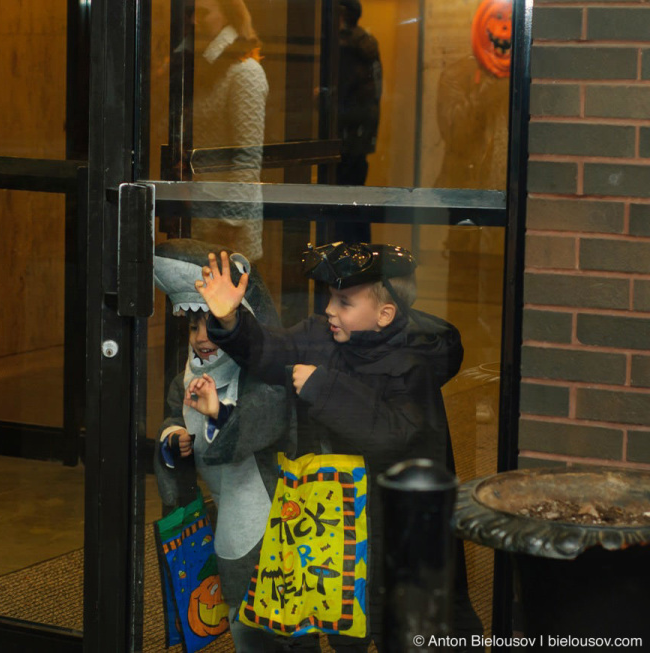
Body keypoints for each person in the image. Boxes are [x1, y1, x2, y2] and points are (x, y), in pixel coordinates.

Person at [195, 243, 483, 650]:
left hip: (394, 535)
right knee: (343, 629)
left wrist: (324, 387)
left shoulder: (412, 366)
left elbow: (396, 437)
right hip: (337, 531)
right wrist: (230, 320)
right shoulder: (320, 336)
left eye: (344, 302)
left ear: (385, 315)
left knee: (400, 629)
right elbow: (269, 351)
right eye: (330, 298)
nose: (330, 309)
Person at [152, 239, 311, 652]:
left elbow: (262, 422)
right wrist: (175, 439)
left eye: (212, 324)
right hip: (218, 500)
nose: (202, 337)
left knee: (262, 591)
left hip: (259, 502)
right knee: (231, 595)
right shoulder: (189, 372)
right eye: (192, 324)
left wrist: (218, 413)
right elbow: (173, 413)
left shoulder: (259, 370)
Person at [188, 0, 268, 261]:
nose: (194, 22)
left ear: (228, 17)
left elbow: (248, 158)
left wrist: (228, 226)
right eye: (193, 14)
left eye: (203, 14)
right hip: (201, 218)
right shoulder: (207, 67)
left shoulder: (245, 72)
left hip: (229, 233)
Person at [333, 0, 382, 245]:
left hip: (343, 142)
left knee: (341, 216)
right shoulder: (366, 45)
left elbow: (341, 98)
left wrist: (322, 98)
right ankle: (363, 264)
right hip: (359, 142)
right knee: (355, 209)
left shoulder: (344, 47)